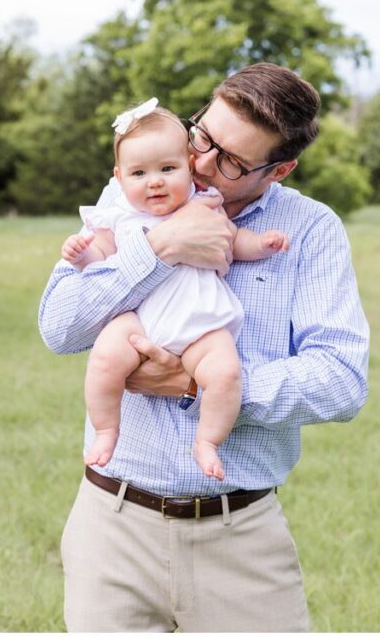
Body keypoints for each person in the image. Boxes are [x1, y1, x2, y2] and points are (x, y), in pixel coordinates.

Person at [40, 63, 369, 632]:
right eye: (201, 138)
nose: (200, 165)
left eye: (233, 161)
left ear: (280, 168)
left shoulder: (310, 230)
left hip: (238, 536)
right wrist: (162, 247)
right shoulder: (132, 194)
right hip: (110, 527)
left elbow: (341, 382)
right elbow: (60, 328)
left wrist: (200, 385)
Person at [61, 99, 289, 480]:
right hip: (139, 323)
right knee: (105, 358)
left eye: (168, 169)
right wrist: (81, 256)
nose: (155, 181)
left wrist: (262, 244)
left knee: (225, 373)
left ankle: (207, 441)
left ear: (188, 167)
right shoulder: (117, 216)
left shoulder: (205, 206)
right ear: (119, 178)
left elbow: (235, 240)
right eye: (139, 173)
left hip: (202, 324)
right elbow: (101, 262)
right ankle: (106, 430)